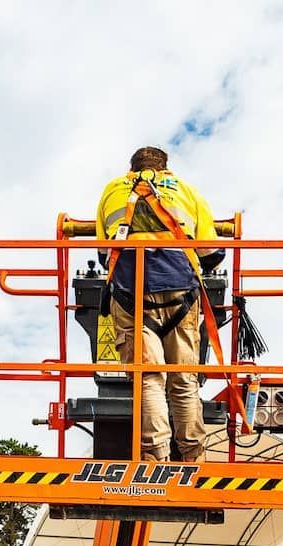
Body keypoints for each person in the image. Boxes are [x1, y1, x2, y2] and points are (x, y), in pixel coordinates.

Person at [96, 146, 223, 463]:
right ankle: (194, 457)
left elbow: (103, 255)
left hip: (129, 293)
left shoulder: (111, 191)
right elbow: (212, 253)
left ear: (132, 168)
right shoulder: (185, 190)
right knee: (183, 381)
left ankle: (155, 460)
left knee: (148, 379)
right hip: (179, 292)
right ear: (165, 167)